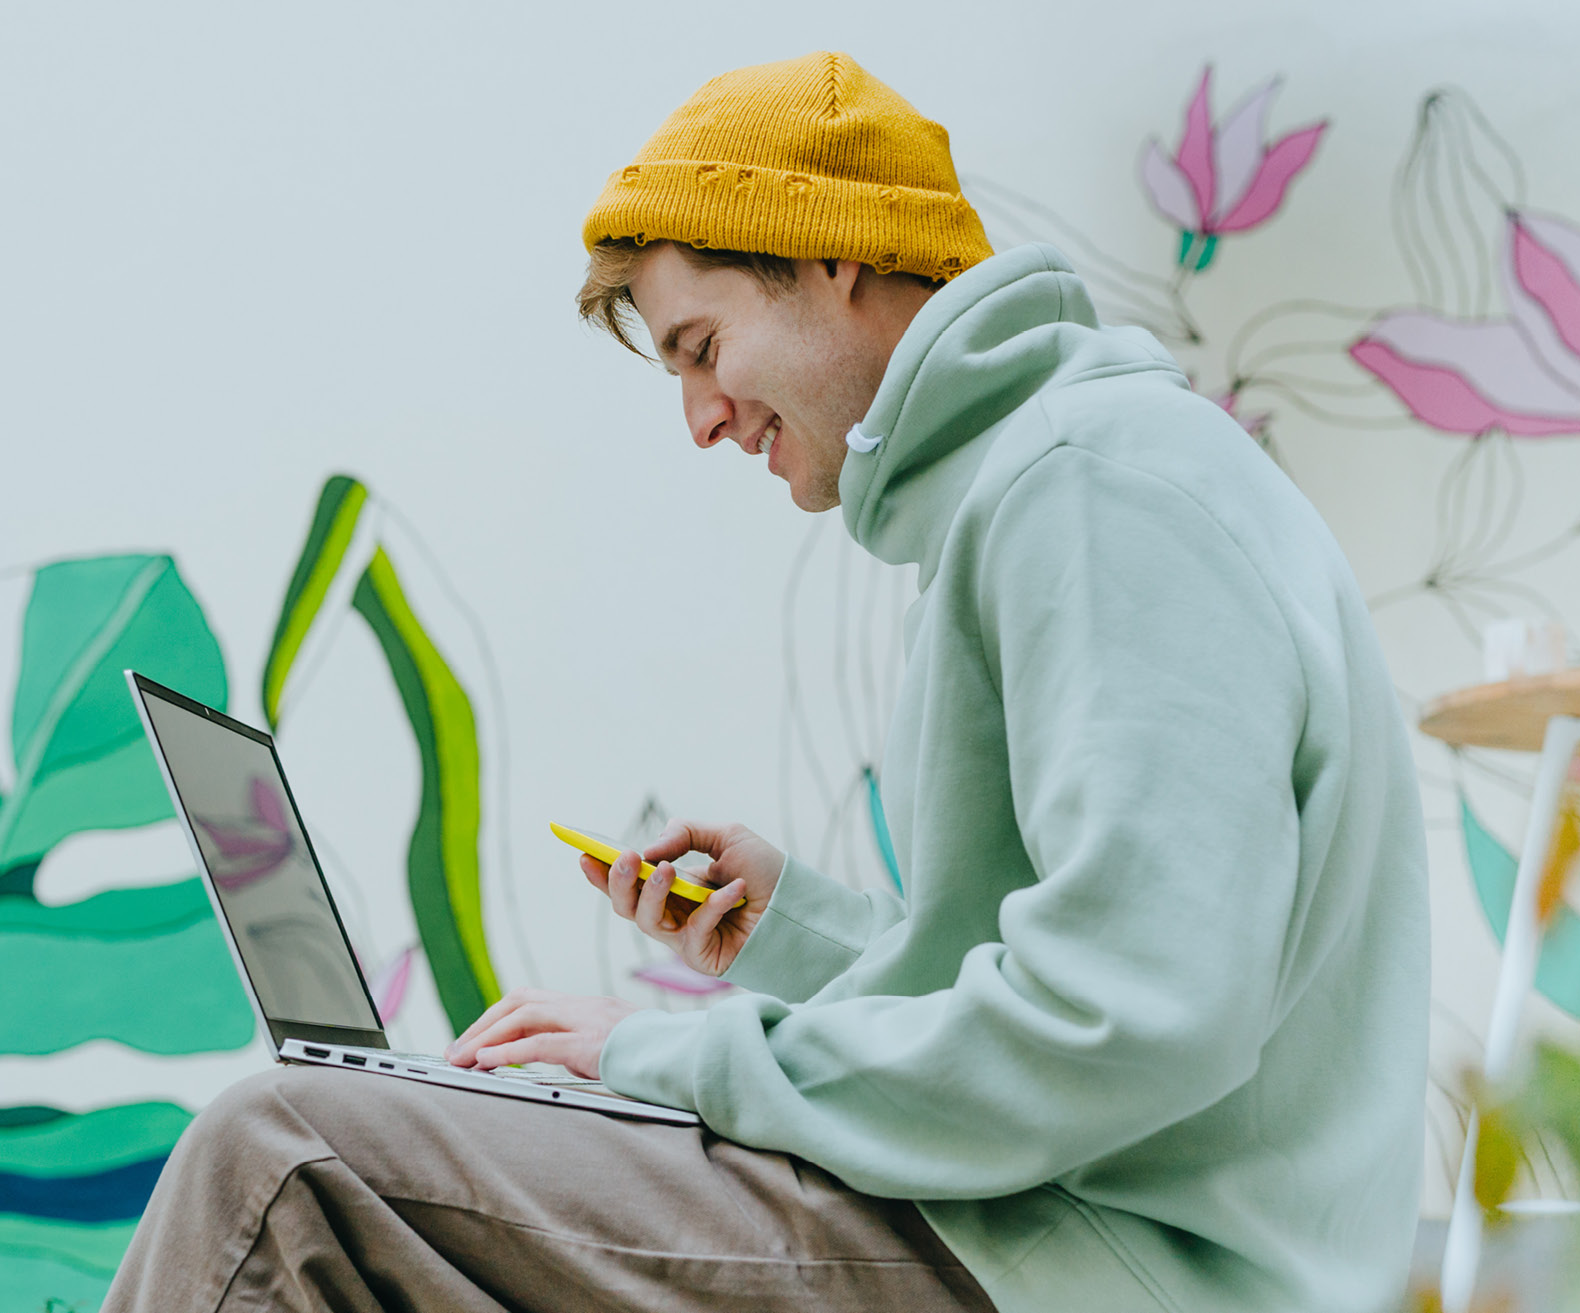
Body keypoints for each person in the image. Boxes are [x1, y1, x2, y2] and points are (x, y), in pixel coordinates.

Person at [104, 50, 1428, 1313]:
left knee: (281, 1154)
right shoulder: (1064, 482)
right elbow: (1099, 976)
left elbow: (1125, 1019)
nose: (700, 417)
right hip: (1060, 1239)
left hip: (1092, 1268)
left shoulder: (1087, 487)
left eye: (698, 345)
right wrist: (795, 928)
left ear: (832, 257)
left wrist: (657, 1054)